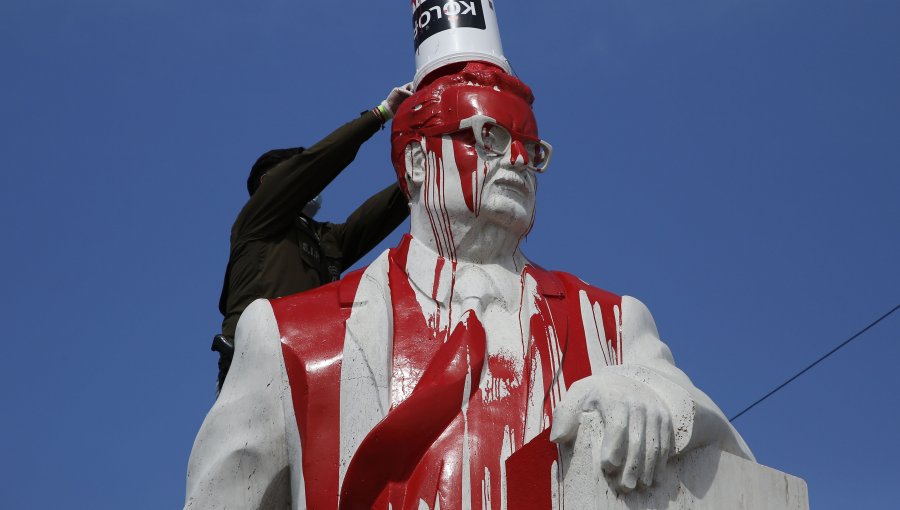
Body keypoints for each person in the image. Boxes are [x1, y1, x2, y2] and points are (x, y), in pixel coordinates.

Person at [185, 63, 753, 509]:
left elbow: (737, 468)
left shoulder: (614, 323)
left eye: (530, 148)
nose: (516, 161)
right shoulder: (273, 284)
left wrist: (660, 404)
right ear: (414, 160)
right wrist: (383, 113)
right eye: (486, 137)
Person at [212, 83, 413, 391]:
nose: (312, 186)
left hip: (314, 365)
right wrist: (380, 114)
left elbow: (379, 215)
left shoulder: (324, 238)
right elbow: (318, 164)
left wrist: (422, 164)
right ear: (270, 182)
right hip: (257, 363)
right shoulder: (257, 219)